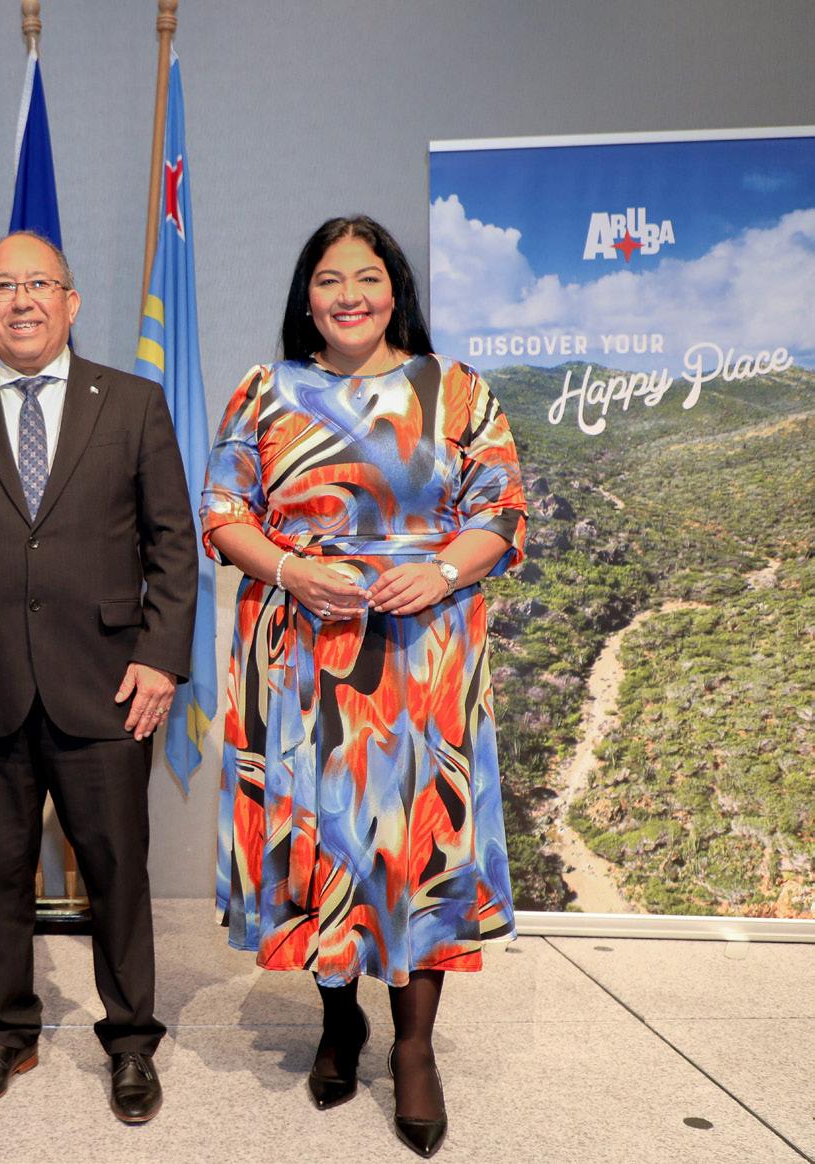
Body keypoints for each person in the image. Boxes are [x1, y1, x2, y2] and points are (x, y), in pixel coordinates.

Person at [201, 216, 527, 1158]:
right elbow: (222, 512)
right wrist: (290, 570)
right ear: (306, 298)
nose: (349, 295)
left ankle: (413, 1048)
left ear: (396, 290)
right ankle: (339, 1018)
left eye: (368, 277)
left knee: (418, 846)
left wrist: (443, 572)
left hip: (423, 654)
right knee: (327, 839)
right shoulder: (265, 391)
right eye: (330, 279)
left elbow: (502, 509)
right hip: (300, 656)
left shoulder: (455, 389)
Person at [0, 231, 198, 1124]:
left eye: (40, 284)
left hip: (108, 685)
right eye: (3, 287)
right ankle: (5, 1033)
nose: (22, 300)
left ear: (71, 301)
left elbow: (173, 547)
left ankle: (131, 1042)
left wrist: (159, 657)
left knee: (117, 871)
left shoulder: (133, 403)